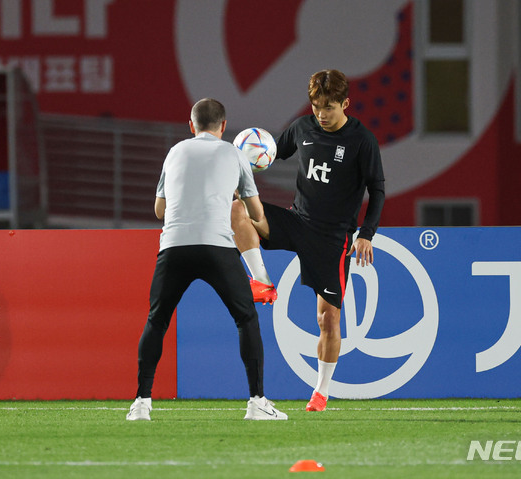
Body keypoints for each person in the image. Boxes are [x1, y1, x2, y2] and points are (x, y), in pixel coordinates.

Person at [232, 69, 385, 412]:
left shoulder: (362, 140)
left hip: (333, 239)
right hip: (297, 221)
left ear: (345, 103)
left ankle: (321, 392)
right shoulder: (302, 128)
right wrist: (241, 161)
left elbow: (377, 190)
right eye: (316, 106)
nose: (321, 113)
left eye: (328, 107)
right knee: (236, 209)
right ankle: (262, 281)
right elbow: (269, 154)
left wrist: (367, 233)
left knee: (327, 319)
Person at [127, 98, 287, 421]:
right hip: (217, 247)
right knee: (246, 319)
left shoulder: (175, 152)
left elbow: (159, 211)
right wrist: (235, 195)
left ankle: (141, 403)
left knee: (156, 321)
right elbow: (256, 213)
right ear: (224, 127)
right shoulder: (235, 154)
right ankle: (257, 402)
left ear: (191, 126)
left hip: (174, 247)